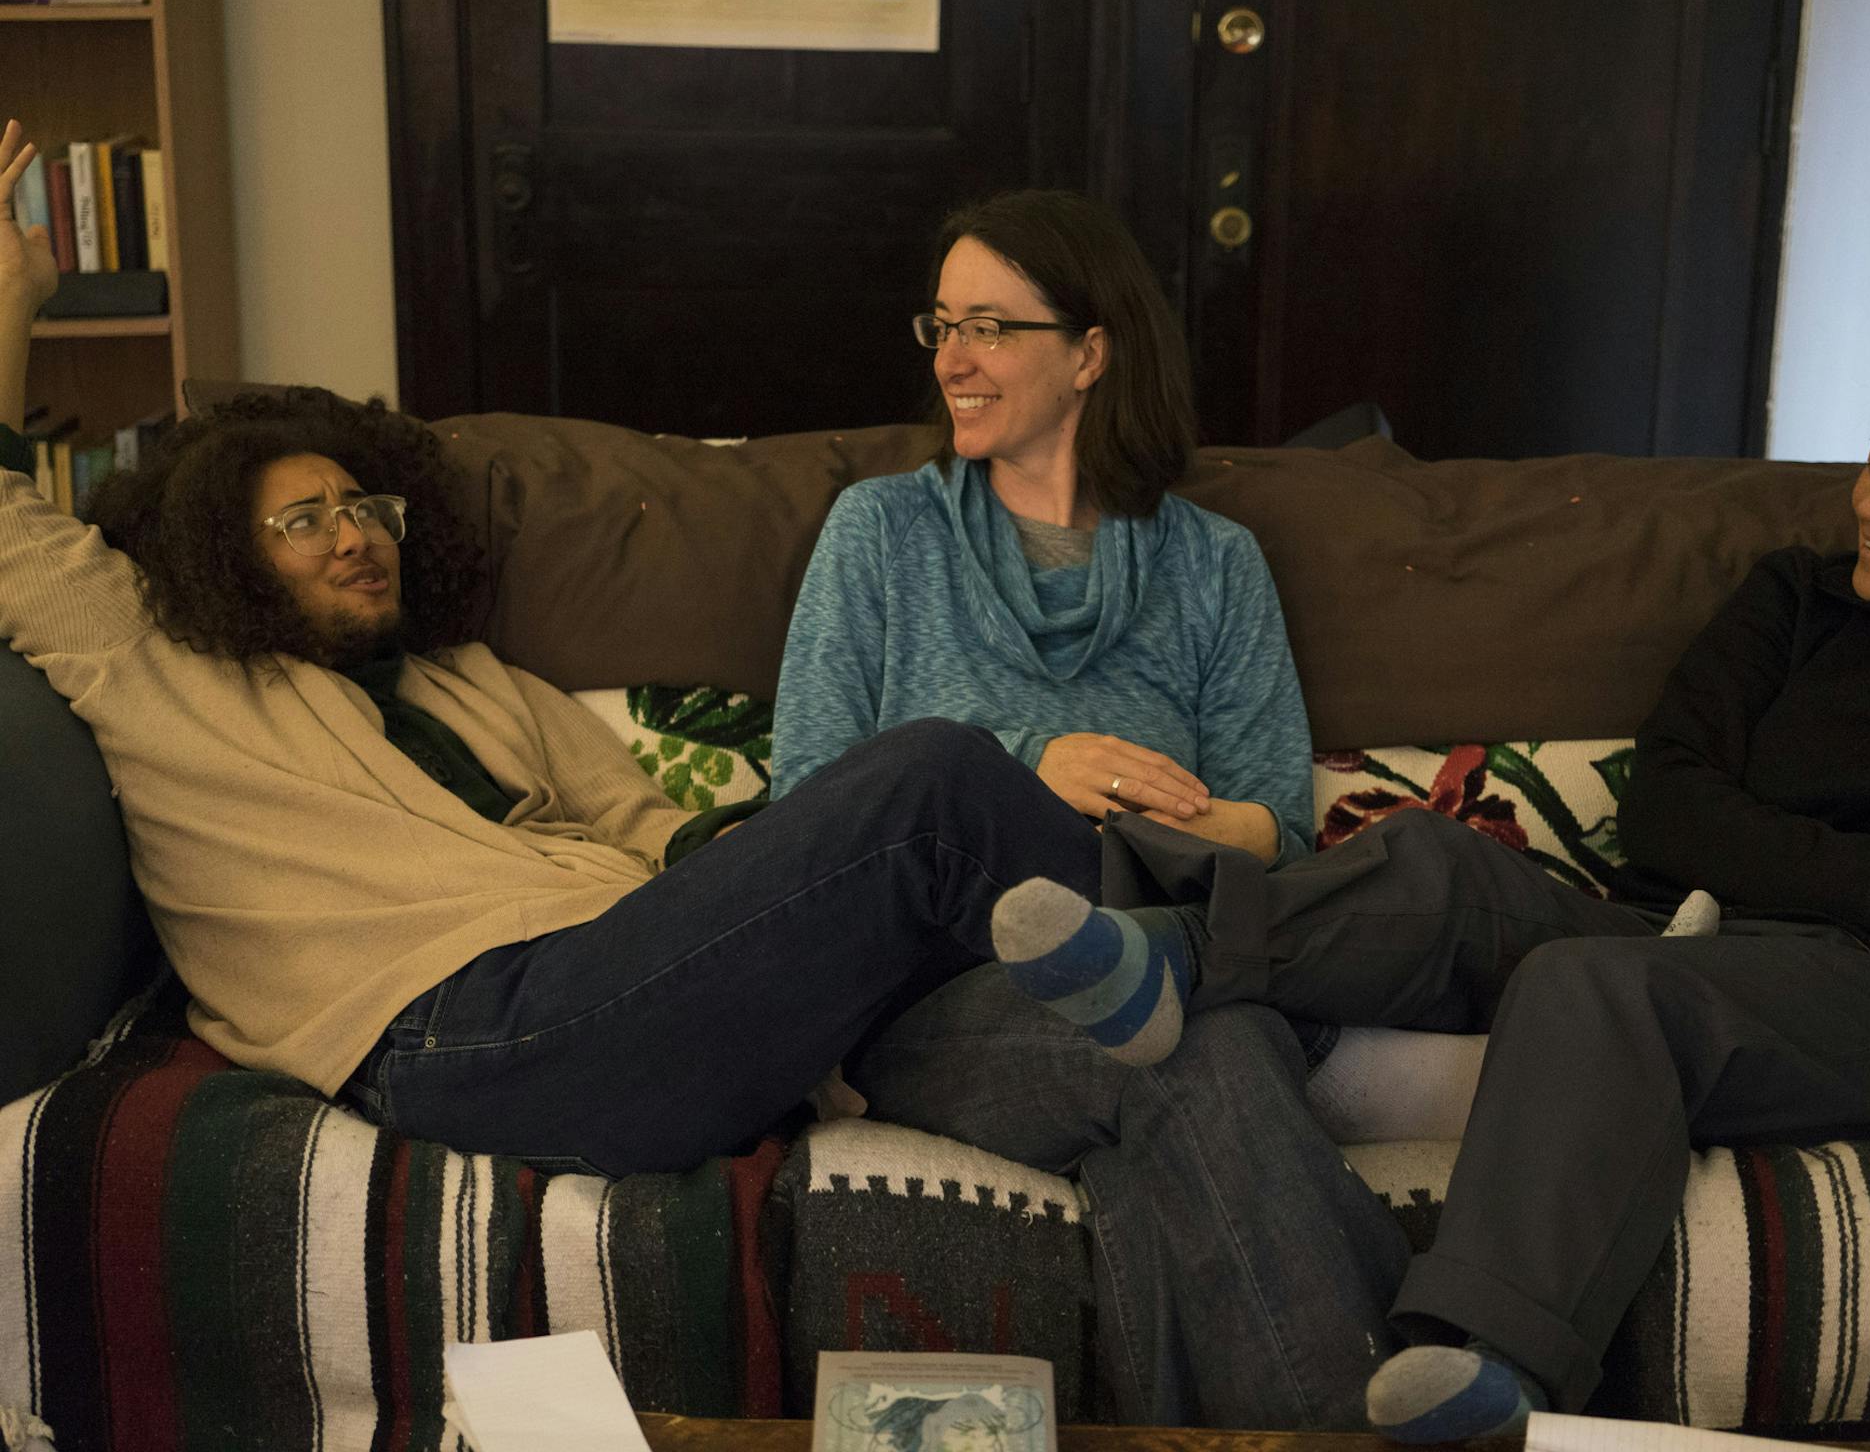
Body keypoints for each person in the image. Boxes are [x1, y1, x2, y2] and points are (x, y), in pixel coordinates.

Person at [0, 122, 1412, 1428]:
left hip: (648, 999)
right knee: (937, 777)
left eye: (364, 505)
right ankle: (1326, 939)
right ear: (217, 555)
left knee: (1191, 1046)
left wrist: (789, 893)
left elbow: (673, 843)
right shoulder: (166, 674)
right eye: (302, 521)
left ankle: (1341, 1422)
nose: (354, 537)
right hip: (465, 1030)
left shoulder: (482, 687)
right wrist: (12, 306)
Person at [968, 338, 1870, 1439]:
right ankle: (1166, 957)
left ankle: (1485, 1367)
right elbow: (1671, 801)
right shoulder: (1802, 599)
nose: (1869, 504)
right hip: (1709, 933)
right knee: (1441, 864)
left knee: (1597, 988)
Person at [771, 189, 1313, 866]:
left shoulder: (1216, 562)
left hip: (1149, 914)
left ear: (1088, 356)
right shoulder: (880, 531)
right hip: (939, 933)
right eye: (943, 328)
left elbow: (1279, 836)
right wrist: (1027, 768)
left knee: (1437, 866)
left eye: (987, 329)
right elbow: (802, 812)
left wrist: (1124, 830)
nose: (949, 362)